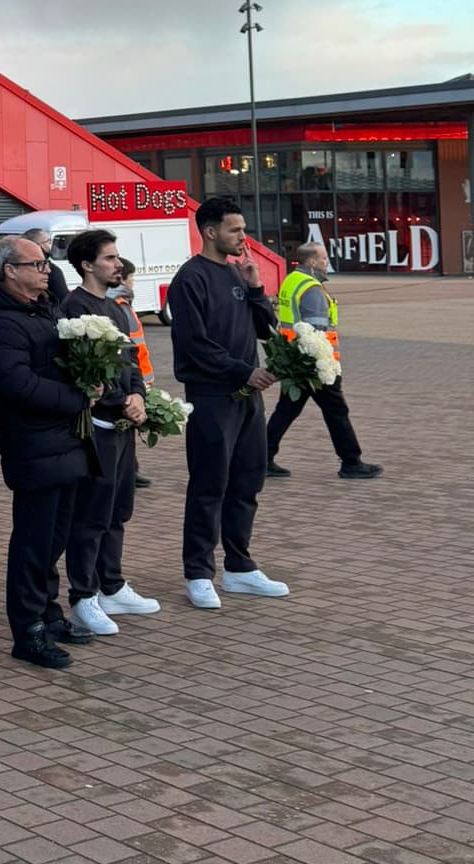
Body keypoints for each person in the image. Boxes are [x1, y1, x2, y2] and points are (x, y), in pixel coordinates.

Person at [169, 197, 289, 609]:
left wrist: (256, 288)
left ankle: (239, 567)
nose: (243, 236)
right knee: (209, 485)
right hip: (211, 396)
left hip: (248, 397)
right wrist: (242, 372)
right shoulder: (191, 278)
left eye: (243, 228)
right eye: (235, 229)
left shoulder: (238, 273)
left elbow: (266, 329)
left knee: (247, 481)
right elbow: (194, 344)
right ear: (210, 231)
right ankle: (198, 572)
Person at [0, 237, 92, 669]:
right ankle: (27, 631)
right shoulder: (1, 322)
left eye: (47, 263)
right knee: (33, 542)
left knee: (55, 538)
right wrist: (76, 397)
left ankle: (48, 613)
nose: (48, 270)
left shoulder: (43, 307)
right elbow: (16, 384)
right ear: (9, 270)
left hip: (62, 441)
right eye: (38, 263)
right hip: (34, 443)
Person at [62, 230, 161, 633]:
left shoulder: (117, 307)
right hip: (97, 427)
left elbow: (132, 361)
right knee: (91, 515)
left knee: (119, 510)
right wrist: (120, 401)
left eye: (117, 258)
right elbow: (82, 373)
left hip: (123, 426)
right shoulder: (74, 309)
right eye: (109, 258)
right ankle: (83, 596)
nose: (117, 264)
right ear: (87, 265)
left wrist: (137, 396)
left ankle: (112, 585)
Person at [266, 243, 381, 480]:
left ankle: (262, 458)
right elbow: (316, 330)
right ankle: (351, 462)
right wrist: (326, 365)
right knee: (336, 410)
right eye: (324, 258)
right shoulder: (311, 289)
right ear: (312, 262)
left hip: (295, 359)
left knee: (287, 410)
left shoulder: (291, 280)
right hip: (315, 364)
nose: (327, 262)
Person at [109, 258, 154, 489]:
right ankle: (129, 469)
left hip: (137, 376)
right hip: (133, 378)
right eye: (132, 277)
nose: (134, 282)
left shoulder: (121, 304)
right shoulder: (118, 305)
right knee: (126, 423)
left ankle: (131, 468)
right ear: (124, 279)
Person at [22, 228, 69, 303]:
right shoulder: (53, 270)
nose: (47, 270)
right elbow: (63, 299)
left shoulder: (19, 267)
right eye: (48, 242)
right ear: (39, 245)